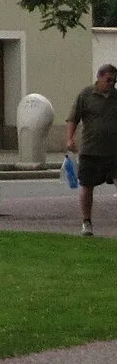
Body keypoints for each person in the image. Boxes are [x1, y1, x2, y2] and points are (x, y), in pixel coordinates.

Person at [66, 62, 117, 236]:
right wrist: (70, 138)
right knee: (87, 185)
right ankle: (86, 222)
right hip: (90, 150)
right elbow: (73, 117)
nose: (111, 83)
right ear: (99, 77)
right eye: (109, 80)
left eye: (114, 81)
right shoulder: (86, 95)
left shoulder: (116, 96)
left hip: (113, 151)